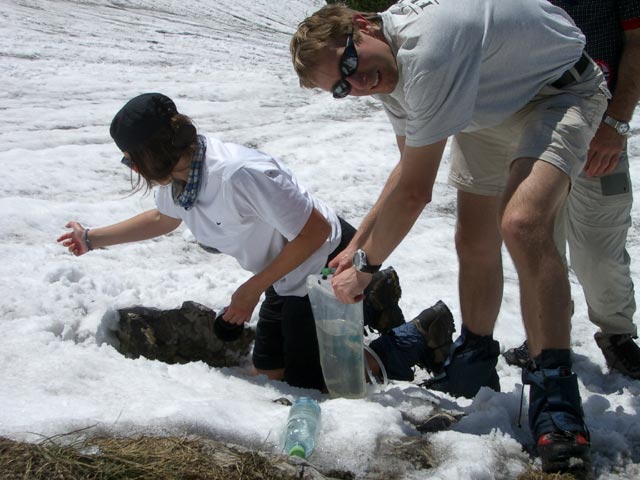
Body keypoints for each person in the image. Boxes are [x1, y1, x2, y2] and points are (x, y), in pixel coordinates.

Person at [290, 0, 609, 474]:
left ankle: (556, 397)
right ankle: (475, 358)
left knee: (522, 223)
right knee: (472, 237)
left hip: (558, 91)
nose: (356, 83)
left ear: (362, 24)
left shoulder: (428, 49)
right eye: (340, 86)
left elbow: (417, 192)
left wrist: (365, 269)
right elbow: (405, 171)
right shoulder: (387, 71)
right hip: (487, 105)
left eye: (350, 64)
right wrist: (358, 245)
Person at [56, 92, 455, 392]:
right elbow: (163, 218)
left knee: (318, 385)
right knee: (269, 374)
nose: (131, 168)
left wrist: (250, 290)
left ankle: (415, 338)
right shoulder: (181, 177)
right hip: (282, 273)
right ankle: (369, 311)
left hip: (326, 261)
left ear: (151, 152)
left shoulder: (238, 174)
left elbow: (314, 232)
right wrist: (92, 239)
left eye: (130, 160)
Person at [503, 0, 640, 380]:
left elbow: (637, 43)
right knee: (536, 237)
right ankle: (545, 337)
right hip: (529, 127)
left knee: (600, 249)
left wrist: (617, 123)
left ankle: (617, 335)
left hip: (601, 130)